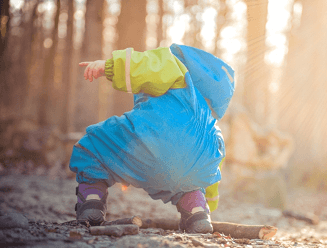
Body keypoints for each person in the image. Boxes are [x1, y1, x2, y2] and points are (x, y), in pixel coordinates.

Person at [70, 44, 235, 234]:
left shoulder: (177, 70)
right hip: (189, 171)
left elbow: (147, 65)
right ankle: (197, 211)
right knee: (190, 183)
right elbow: (214, 166)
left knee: (93, 145)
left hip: (149, 142)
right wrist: (210, 201)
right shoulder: (211, 126)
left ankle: (92, 199)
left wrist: (108, 67)